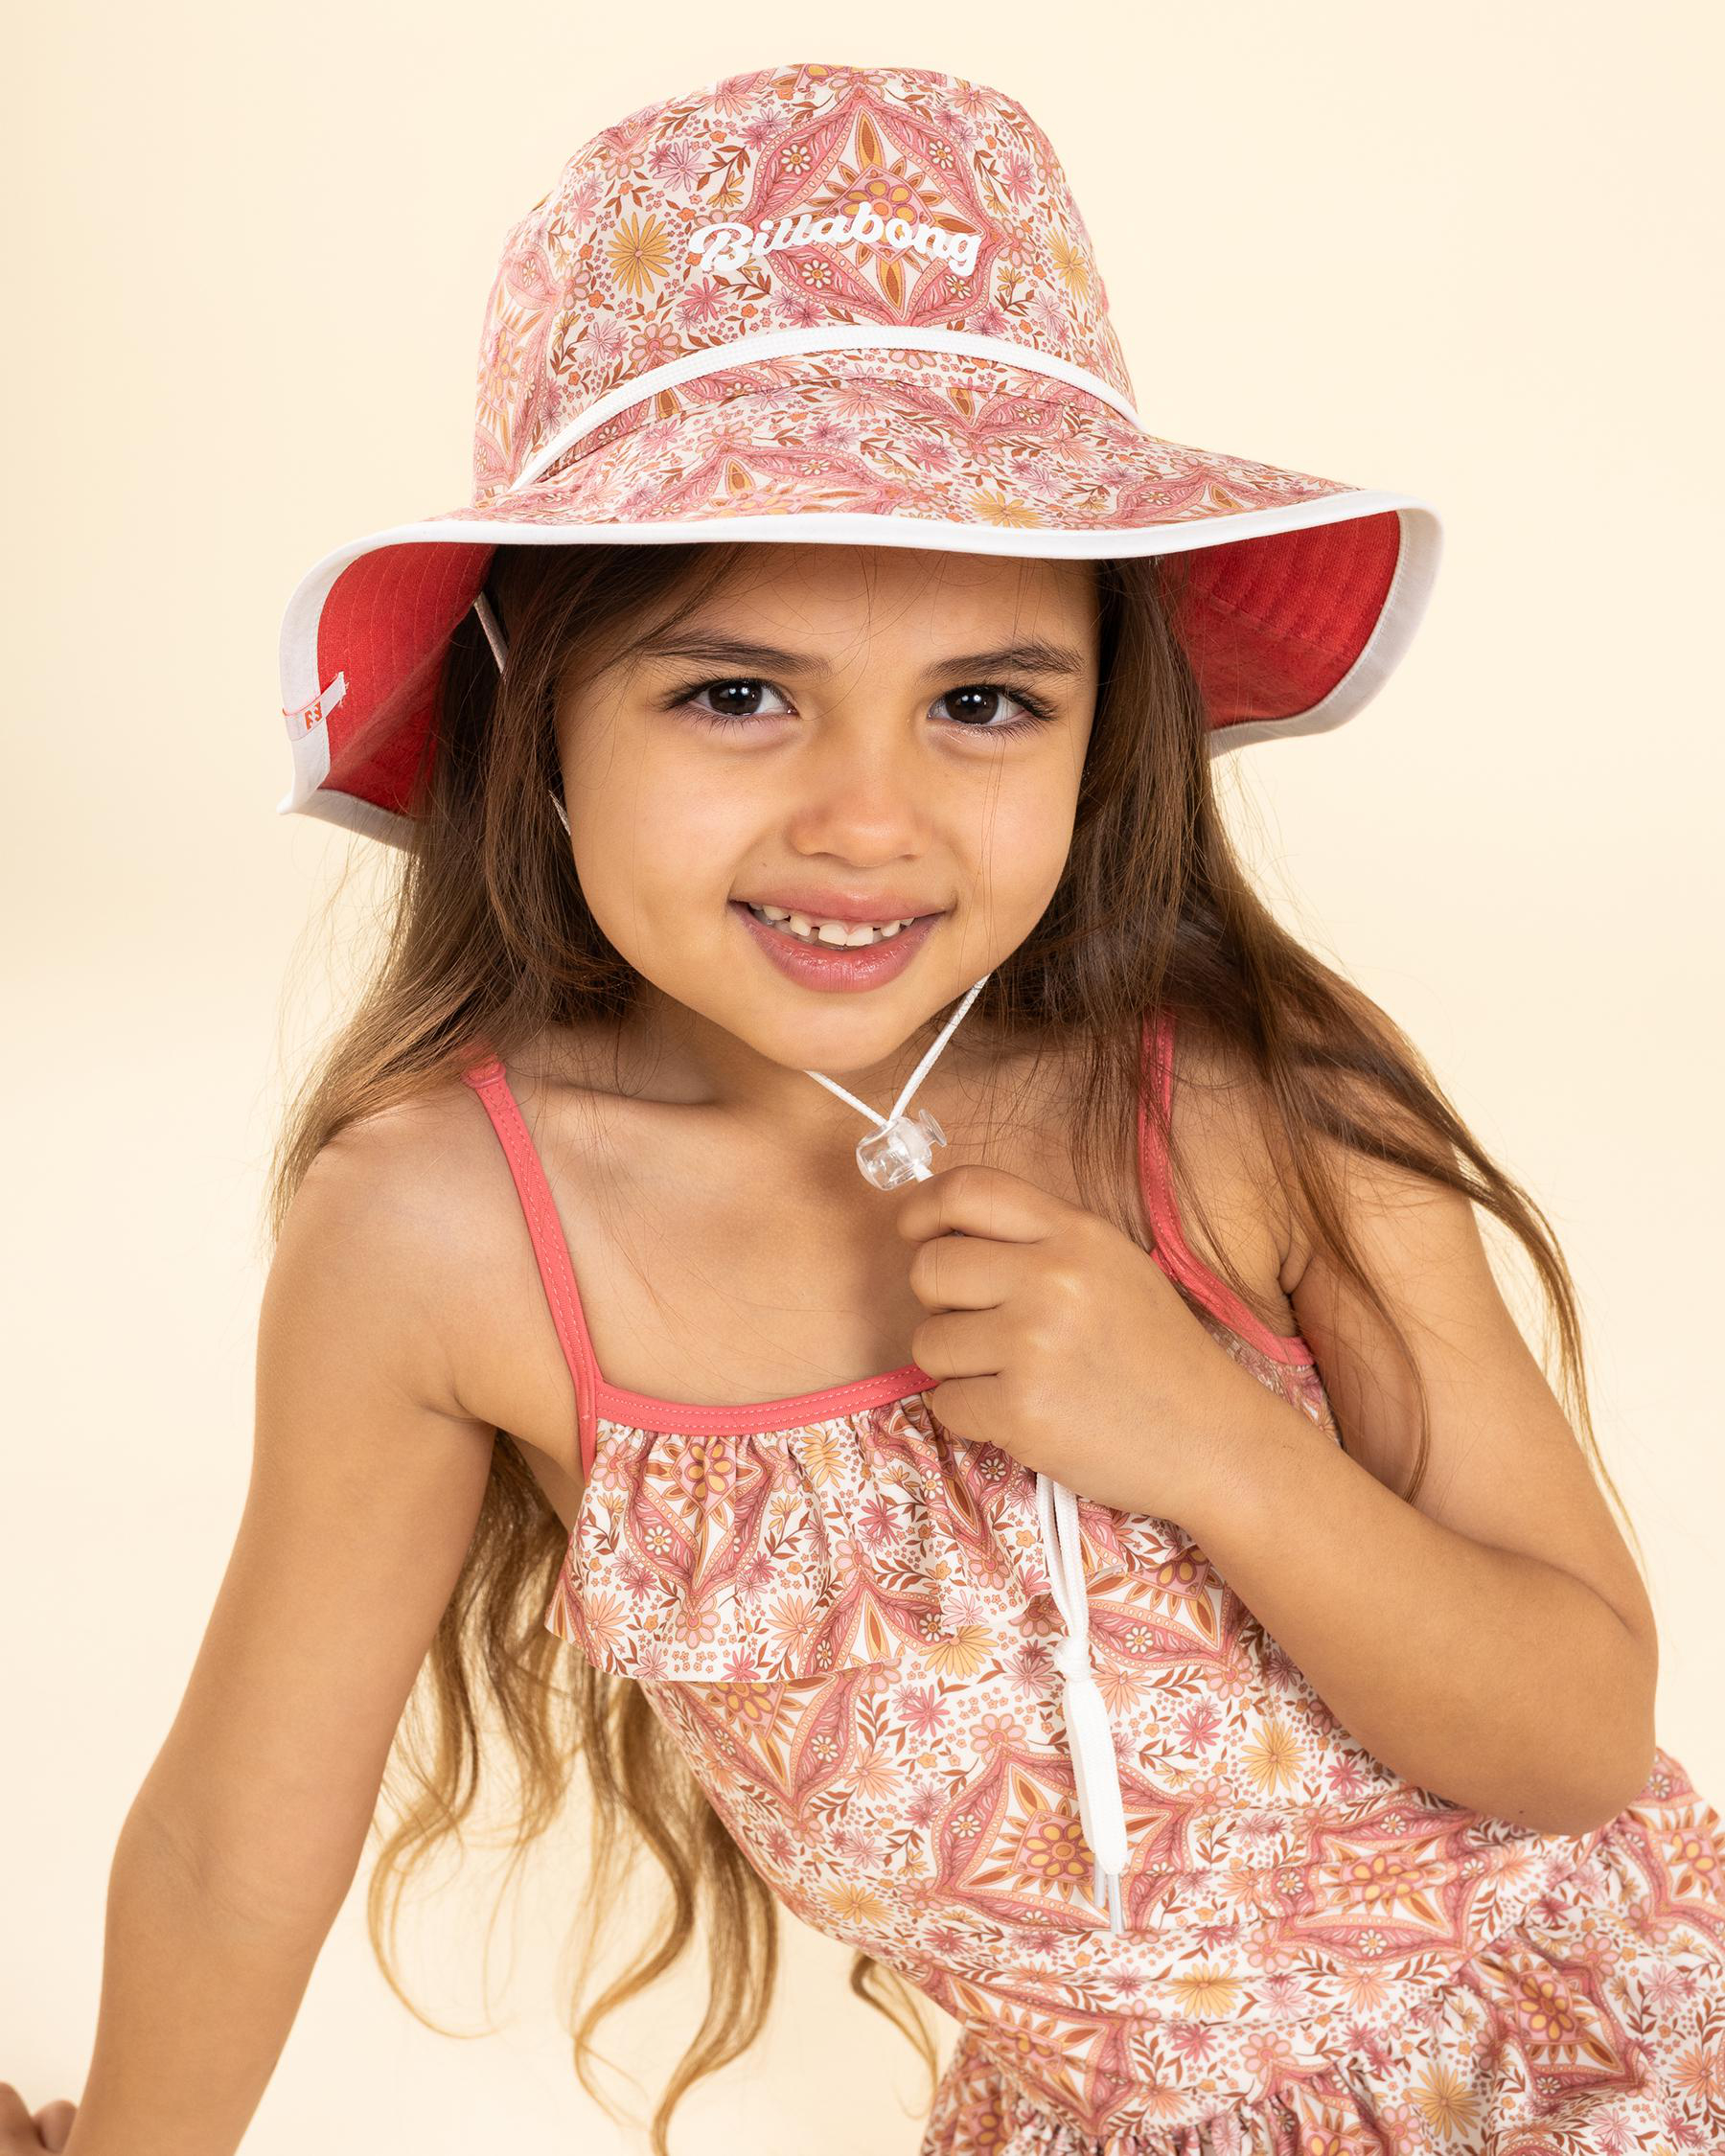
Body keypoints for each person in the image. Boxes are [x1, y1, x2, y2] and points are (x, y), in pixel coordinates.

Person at [17, 57, 1725, 2156]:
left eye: (982, 702)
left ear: (1105, 722)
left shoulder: (1245, 1089)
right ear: (526, 705)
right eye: (736, 693)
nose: (865, 819)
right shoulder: (443, 1236)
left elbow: (1578, 1739)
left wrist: (1206, 1440)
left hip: (1612, 2062)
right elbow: (238, 1833)